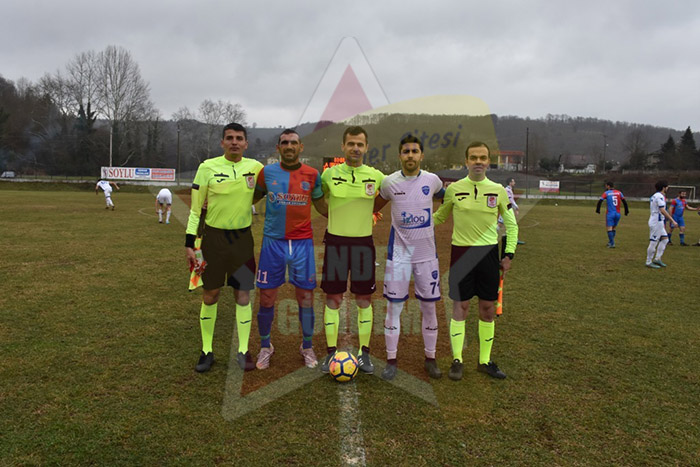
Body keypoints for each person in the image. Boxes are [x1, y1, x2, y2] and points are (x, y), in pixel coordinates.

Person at [433, 141, 518, 380]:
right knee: (460, 306)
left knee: (487, 308)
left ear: (488, 161)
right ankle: (457, 360)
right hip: (461, 254)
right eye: (473, 157)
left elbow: (511, 225)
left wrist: (508, 254)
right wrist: (414, 222)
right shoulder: (454, 189)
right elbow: (440, 217)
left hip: (488, 255)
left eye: (482, 158)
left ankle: (484, 361)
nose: (478, 162)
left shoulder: (498, 190)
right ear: (466, 161)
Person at [185, 122, 263, 373]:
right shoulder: (207, 168)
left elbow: (267, 189)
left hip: (242, 241)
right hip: (213, 240)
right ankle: (207, 351)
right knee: (211, 294)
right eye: (230, 138)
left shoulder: (256, 168)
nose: (234, 142)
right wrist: (189, 243)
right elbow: (195, 210)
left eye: (239, 138)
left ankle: (243, 350)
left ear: (246, 143)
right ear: (222, 142)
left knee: (243, 295)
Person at [252, 129, 328, 370]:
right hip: (272, 243)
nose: (289, 146)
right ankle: (266, 346)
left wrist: (354, 213)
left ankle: (307, 346)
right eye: (284, 142)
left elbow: (322, 207)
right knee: (266, 297)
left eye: (293, 142)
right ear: (278, 148)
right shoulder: (267, 173)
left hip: (302, 243)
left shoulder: (312, 174)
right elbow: (249, 198)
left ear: (300, 147)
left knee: (305, 296)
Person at [372, 135, 445, 381]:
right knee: (394, 308)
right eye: (406, 151)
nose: (410, 155)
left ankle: (430, 358)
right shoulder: (389, 182)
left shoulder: (432, 181)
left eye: (415, 151)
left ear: (421, 155)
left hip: (427, 256)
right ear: (400, 155)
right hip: (399, 256)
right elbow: (374, 206)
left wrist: (439, 218)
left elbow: (448, 198)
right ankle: (391, 360)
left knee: (429, 307)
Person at [319, 126, 385, 375]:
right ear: (343, 147)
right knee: (333, 299)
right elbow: (318, 199)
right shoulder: (329, 175)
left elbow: (388, 194)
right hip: (335, 243)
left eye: (360, 144)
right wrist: (333, 215)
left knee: (364, 299)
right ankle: (330, 353)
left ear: (366, 147)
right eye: (351, 144)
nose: (355, 148)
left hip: (363, 245)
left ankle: (364, 353)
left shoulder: (376, 176)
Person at [646, 180, 678, 268]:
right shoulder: (659, 196)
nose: (667, 188)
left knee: (665, 239)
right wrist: (672, 220)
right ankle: (648, 262)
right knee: (653, 242)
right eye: (667, 187)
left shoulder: (655, 195)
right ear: (664, 187)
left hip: (658, 221)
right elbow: (662, 210)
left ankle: (657, 259)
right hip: (656, 222)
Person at [596, 181, 629, 248]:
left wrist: (598, 210)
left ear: (608, 186)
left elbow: (600, 201)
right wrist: (626, 211)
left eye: (606, 186)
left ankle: (612, 243)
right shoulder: (619, 192)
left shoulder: (606, 193)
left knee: (609, 228)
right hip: (618, 214)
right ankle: (610, 242)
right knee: (613, 228)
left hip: (610, 213)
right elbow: (624, 202)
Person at [499, 177, 526, 245]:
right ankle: (514, 239)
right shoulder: (507, 190)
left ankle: (512, 238)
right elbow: (510, 200)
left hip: (506, 209)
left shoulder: (508, 189)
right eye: (513, 181)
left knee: (501, 224)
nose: (514, 183)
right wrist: (516, 207)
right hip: (506, 210)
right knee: (512, 225)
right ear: (510, 183)